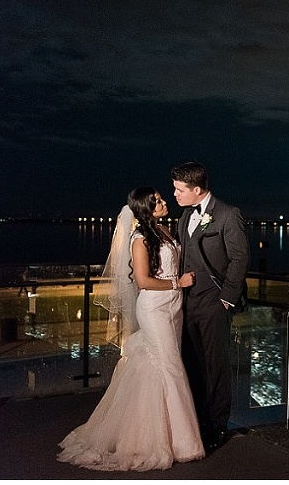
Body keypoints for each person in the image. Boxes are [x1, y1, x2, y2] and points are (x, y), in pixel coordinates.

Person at [58, 187, 204, 471]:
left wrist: (179, 289)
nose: (164, 202)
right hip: (154, 307)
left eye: (162, 199)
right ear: (146, 208)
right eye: (158, 201)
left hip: (174, 307)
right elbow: (143, 281)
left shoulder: (163, 230)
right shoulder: (140, 239)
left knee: (160, 366)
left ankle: (159, 433)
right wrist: (179, 283)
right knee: (170, 366)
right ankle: (180, 443)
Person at [171, 161, 250, 452]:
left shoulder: (229, 215)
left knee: (217, 367)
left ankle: (217, 426)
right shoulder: (183, 217)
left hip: (215, 304)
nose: (175, 195)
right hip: (187, 304)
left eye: (179, 190)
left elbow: (240, 259)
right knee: (192, 365)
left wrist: (226, 300)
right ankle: (196, 421)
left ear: (197, 189)